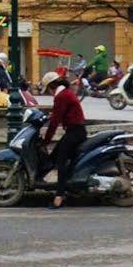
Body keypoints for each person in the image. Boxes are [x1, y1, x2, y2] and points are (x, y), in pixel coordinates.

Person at [43, 72, 89, 208]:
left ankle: (59, 196)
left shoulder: (61, 97)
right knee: (56, 155)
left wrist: (46, 141)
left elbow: (55, 122)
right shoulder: (66, 93)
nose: (49, 93)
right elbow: (58, 114)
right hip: (76, 131)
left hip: (75, 132)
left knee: (60, 161)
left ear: (52, 86)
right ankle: (67, 187)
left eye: (48, 90)